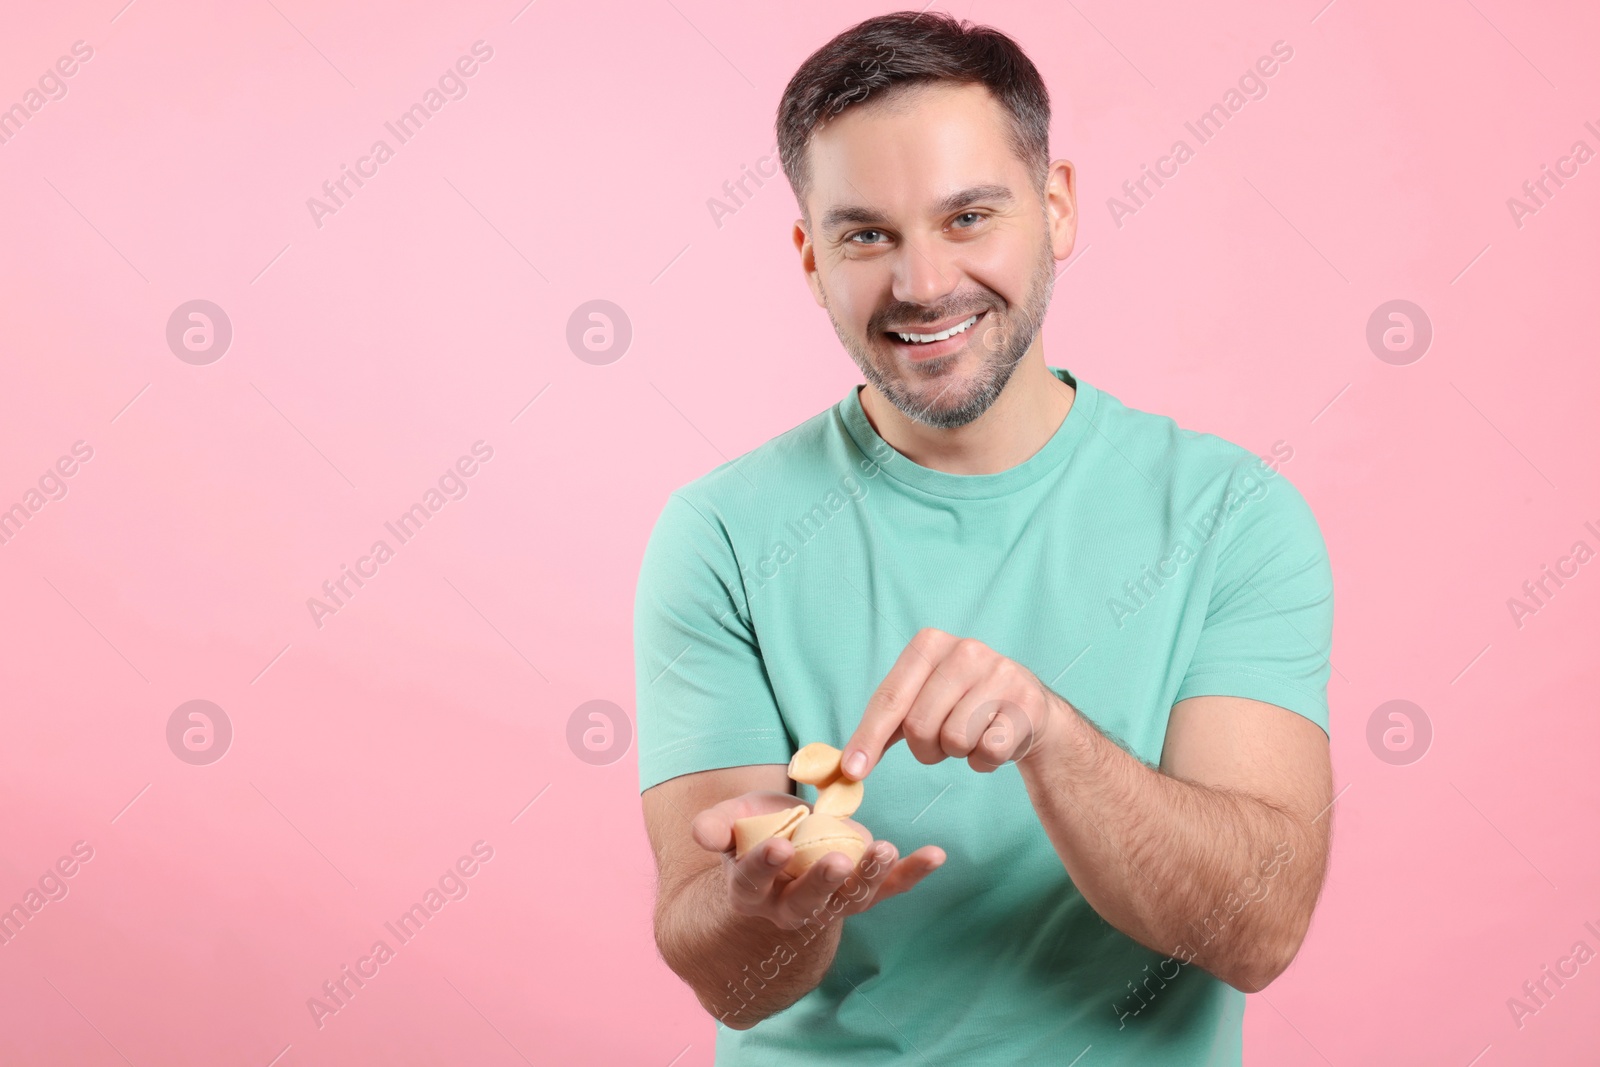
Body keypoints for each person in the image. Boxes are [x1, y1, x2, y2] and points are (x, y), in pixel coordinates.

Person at [635, 10, 1334, 1065]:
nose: (921, 284)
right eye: (866, 233)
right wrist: (770, 903)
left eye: (968, 217)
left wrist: (1051, 737)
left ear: (1054, 209)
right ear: (810, 257)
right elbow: (725, 979)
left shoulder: (1233, 512)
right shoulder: (721, 534)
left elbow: (1257, 928)